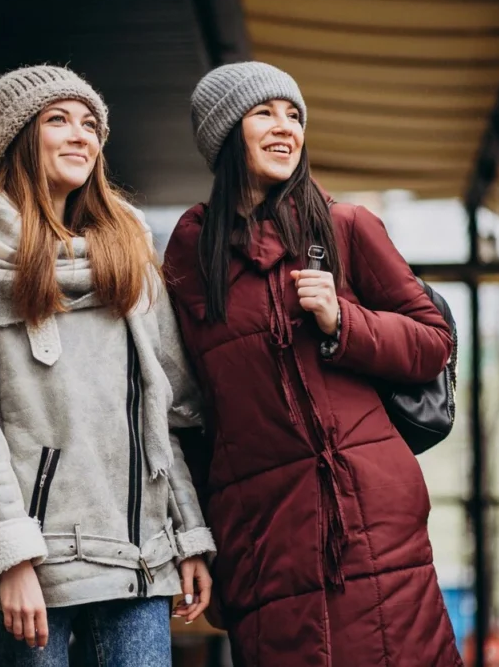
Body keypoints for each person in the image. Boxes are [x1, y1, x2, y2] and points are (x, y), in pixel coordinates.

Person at [163, 62, 463, 666]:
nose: (285, 128)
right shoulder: (191, 258)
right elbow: (186, 412)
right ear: (225, 134)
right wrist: (195, 538)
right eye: (264, 113)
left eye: (294, 115)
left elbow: (434, 342)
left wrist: (343, 322)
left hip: (372, 523)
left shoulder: (347, 226)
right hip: (260, 533)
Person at [0, 65, 215, 666]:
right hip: (34, 563)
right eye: (57, 120)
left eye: (90, 124)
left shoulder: (129, 248)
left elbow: (159, 411)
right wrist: (8, 559)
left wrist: (187, 535)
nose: (80, 135)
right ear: (18, 140)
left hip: (139, 557)